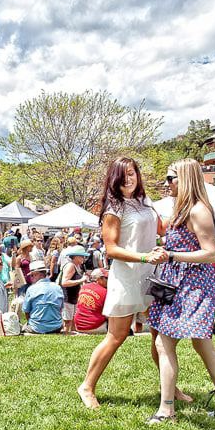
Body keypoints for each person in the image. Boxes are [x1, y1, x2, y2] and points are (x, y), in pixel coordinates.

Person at [146, 158, 215, 424]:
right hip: (181, 284)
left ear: (185, 179)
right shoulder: (184, 209)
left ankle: (166, 411)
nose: (166, 183)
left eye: (170, 178)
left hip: (192, 287)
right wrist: (166, 252)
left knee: (164, 344)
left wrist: (172, 255)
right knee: (202, 345)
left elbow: (211, 254)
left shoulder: (198, 210)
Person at [78, 157, 170, 410]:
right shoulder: (114, 208)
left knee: (159, 334)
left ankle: (170, 388)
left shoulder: (146, 201)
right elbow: (111, 249)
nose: (129, 179)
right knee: (117, 336)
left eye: (132, 173)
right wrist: (144, 256)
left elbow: (162, 229)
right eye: (123, 174)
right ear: (114, 178)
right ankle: (87, 386)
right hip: (127, 276)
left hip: (151, 275)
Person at [21, 260, 63, 334]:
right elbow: (60, 308)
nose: (31, 278)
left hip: (37, 327)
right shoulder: (58, 287)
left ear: (40, 275)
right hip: (57, 327)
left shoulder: (31, 289)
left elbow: (26, 311)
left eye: (32, 275)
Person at [59, 245, 89, 334]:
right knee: (67, 322)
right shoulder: (70, 266)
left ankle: (72, 334)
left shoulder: (77, 266)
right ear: (75, 256)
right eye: (82, 256)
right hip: (67, 297)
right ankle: (66, 336)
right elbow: (64, 282)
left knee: (72, 320)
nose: (84, 258)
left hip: (72, 297)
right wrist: (81, 280)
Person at [75, 268, 109, 334]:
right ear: (99, 279)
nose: (109, 280)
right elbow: (109, 313)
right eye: (106, 278)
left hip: (78, 326)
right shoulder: (105, 292)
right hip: (94, 327)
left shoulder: (84, 287)